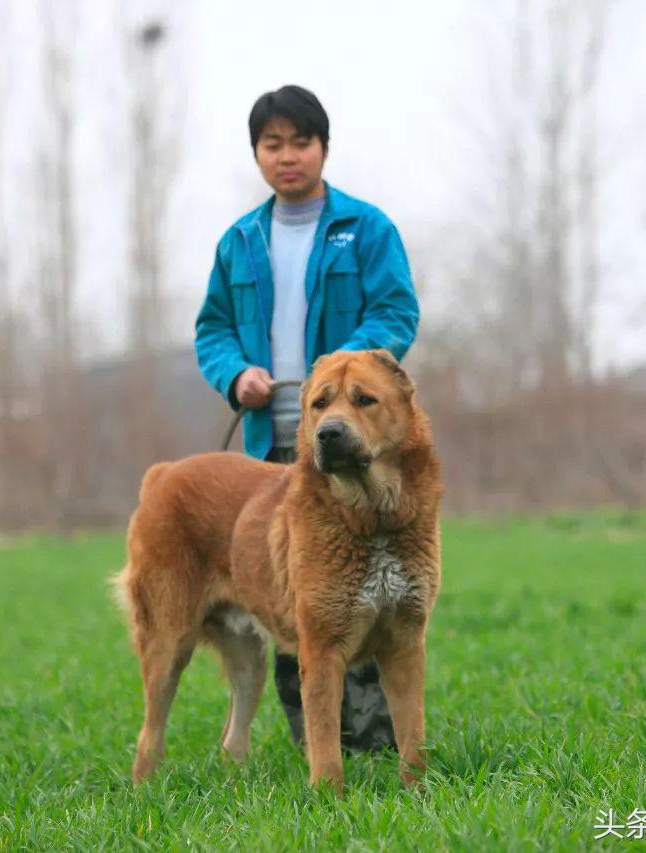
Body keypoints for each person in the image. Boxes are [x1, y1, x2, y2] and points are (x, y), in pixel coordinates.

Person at [194, 85, 419, 752]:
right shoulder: (239, 241)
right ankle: (314, 744)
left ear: (323, 147)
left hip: (360, 454)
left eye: (300, 141)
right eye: (273, 144)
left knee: (373, 591)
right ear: (257, 154)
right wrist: (237, 373)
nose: (287, 156)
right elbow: (212, 329)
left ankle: (374, 740)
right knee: (296, 604)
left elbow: (397, 310)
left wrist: (342, 368)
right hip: (276, 453)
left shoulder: (367, 229)